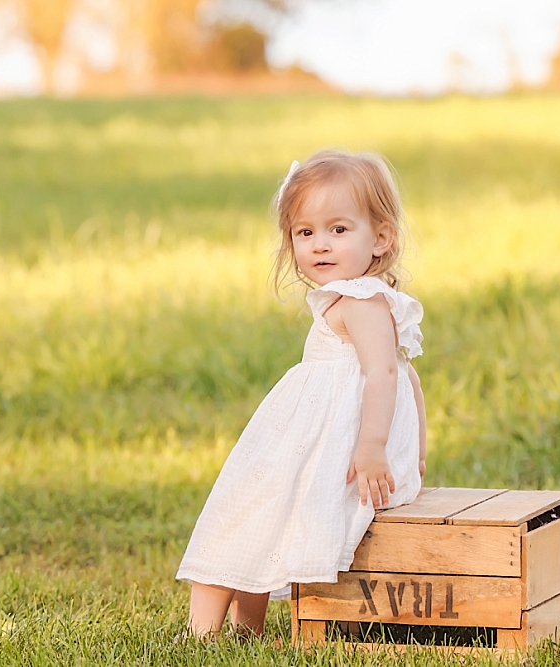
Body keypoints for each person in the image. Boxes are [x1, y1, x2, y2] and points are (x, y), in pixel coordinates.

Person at [175, 149, 427, 639]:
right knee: (260, 511)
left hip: (331, 441)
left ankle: (202, 632)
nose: (319, 245)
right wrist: (416, 450)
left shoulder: (360, 301)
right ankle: (246, 630)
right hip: (315, 434)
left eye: (338, 229)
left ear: (380, 238)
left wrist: (376, 447)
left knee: (243, 511)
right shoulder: (361, 297)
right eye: (305, 232)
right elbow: (408, 375)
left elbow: (385, 375)